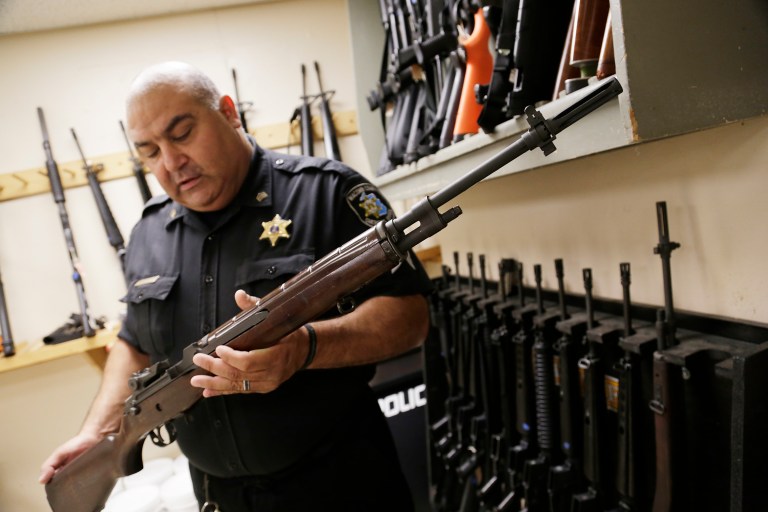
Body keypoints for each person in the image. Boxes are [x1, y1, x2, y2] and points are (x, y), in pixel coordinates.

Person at [39, 61, 432, 511]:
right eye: (148, 151)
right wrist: (97, 433)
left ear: (229, 113)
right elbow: (134, 341)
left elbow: (410, 316)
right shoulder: (148, 231)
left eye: (182, 133)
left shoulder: (326, 192)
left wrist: (305, 348)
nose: (170, 163)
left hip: (341, 487)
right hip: (219, 498)